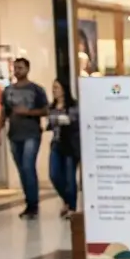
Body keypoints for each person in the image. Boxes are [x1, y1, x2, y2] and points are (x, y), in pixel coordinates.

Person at [0, 58, 49, 219]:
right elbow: (4, 113)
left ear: (28, 69)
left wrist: (27, 112)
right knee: (22, 170)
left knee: (28, 167)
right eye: (15, 68)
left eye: (20, 68)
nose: (17, 70)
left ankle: (33, 205)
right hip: (14, 135)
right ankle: (29, 203)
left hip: (32, 134)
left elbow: (46, 110)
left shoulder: (37, 90)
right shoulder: (8, 90)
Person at [47, 79, 80, 218]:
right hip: (56, 143)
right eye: (53, 88)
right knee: (54, 175)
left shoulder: (74, 106)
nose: (54, 90)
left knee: (69, 177)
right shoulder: (52, 107)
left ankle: (72, 206)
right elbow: (52, 123)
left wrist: (62, 120)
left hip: (71, 145)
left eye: (57, 88)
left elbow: (73, 120)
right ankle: (66, 199)